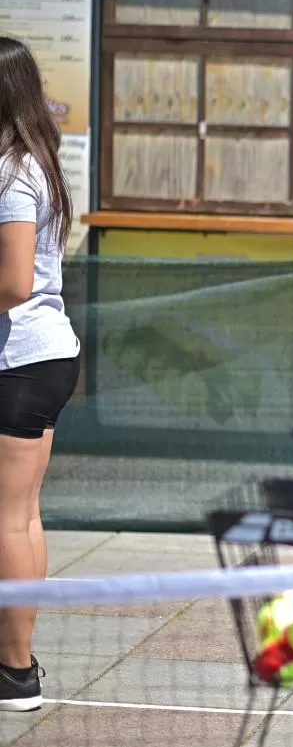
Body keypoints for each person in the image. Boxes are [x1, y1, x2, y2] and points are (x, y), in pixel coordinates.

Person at [0, 37, 82, 710]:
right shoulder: (37, 161)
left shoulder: (11, 171)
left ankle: (15, 670)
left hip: (21, 361)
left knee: (9, 520)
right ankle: (16, 659)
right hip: (45, 357)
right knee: (21, 517)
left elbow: (14, 282)